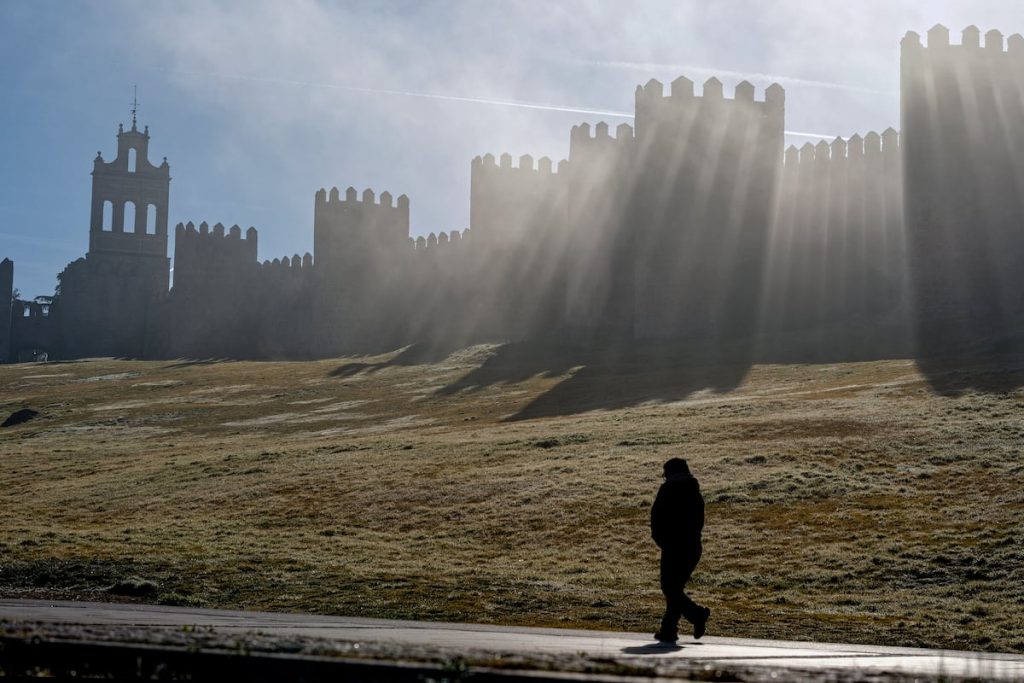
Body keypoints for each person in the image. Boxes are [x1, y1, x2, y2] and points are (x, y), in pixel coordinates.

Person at [650, 457, 710, 642]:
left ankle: (696, 615)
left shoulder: (667, 490)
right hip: (692, 547)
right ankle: (669, 630)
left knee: (670, 588)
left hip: (673, 547)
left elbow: (656, 517)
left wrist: (661, 540)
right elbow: (699, 521)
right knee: (674, 588)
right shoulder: (694, 491)